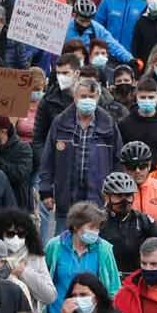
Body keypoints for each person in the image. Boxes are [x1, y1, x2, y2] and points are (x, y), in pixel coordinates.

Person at [36, 73, 122, 218]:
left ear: (97, 98)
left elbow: (118, 161)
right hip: (66, 202)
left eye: (91, 96)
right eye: (83, 96)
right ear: (75, 98)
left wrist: (116, 194)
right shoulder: (60, 122)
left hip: (99, 201)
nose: (87, 100)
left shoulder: (108, 124)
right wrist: (46, 191)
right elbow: (48, 159)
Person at [0, 210, 56, 311]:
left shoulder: (35, 256)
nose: (16, 238)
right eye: (10, 234)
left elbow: (50, 296)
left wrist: (24, 271)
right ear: (0, 233)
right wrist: (8, 273)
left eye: (21, 234)